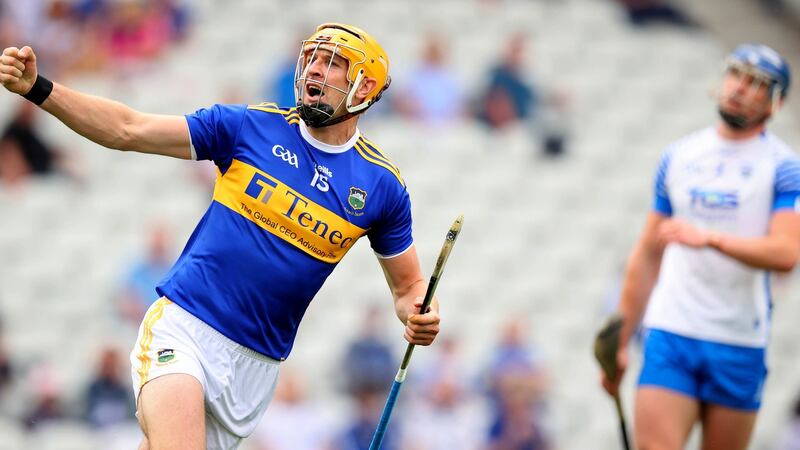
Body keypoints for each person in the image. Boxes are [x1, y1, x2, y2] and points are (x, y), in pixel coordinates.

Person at [0, 22, 441, 450]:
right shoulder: (249, 127)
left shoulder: (382, 187)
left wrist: (420, 313)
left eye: (331, 64)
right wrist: (39, 88)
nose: (313, 70)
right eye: (311, 59)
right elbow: (128, 129)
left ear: (364, 88)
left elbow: (409, 289)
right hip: (186, 327)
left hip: (255, 366)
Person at [601, 44, 800, 450]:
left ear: (775, 102)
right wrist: (620, 340)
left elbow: (785, 254)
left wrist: (711, 238)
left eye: (757, 83)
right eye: (736, 75)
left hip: (739, 340)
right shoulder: (679, 156)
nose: (740, 88)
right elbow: (648, 253)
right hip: (673, 331)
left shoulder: (783, 168)